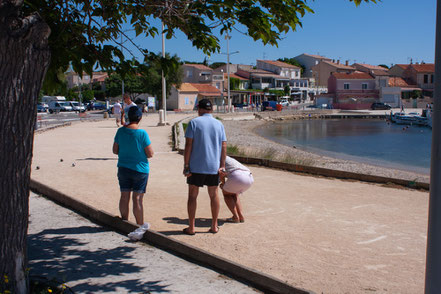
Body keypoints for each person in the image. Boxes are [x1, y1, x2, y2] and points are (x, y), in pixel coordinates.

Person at [183, 99, 227, 235]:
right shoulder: (219, 124)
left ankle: (191, 227)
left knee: (192, 196)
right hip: (213, 166)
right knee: (214, 195)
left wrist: (186, 165)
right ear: (211, 110)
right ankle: (214, 226)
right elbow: (224, 146)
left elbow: (188, 145)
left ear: (199, 109)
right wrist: (222, 166)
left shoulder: (194, 123)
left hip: (196, 166)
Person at [113, 106, 154, 241]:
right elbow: (150, 153)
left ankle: (124, 221)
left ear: (128, 117)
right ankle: (140, 226)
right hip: (140, 169)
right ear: (140, 118)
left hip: (124, 167)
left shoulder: (120, 131)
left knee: (124, 195)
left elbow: (115, 150)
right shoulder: (142, 134)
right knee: (137, 198)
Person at [219, 156, 254, 223]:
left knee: (227, 195)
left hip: (237, 176)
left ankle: (235, 217)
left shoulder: (218, 157)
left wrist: (223, 184)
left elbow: (221, 173)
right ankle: (241, 216)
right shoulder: (227, 158)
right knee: (235, 194)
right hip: (249, 177)